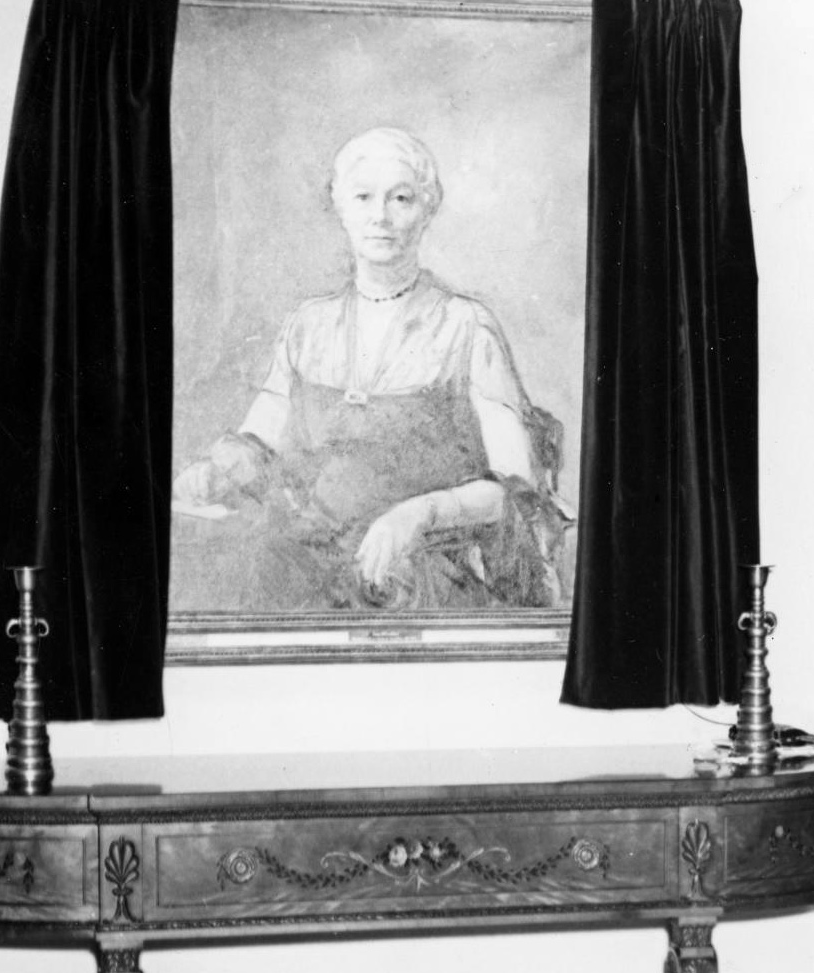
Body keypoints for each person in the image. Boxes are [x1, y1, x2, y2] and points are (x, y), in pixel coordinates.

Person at [173, 127, 569, 612]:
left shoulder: (466, 326)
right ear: (340, 206)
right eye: (363, 197)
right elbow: (260, 445)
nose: (380, 216)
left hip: (423, 576)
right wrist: (213, 475)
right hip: (305, 572)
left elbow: (514, 497)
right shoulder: (308, 325)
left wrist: (418, 514)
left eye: (400, 198)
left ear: (427, 209)